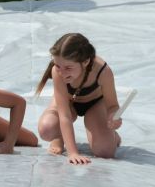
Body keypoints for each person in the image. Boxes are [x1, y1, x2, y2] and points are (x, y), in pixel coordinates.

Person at [36, 33, 121, 164]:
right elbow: (64, 115)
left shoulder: (103, 71)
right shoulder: (57, 71)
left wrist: (113, 116)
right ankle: (58, 137)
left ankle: (112, 137)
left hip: (95, 104)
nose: (62, 72)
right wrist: (73, 152)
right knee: (47, 129)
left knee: (105, 152)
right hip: (69, 102)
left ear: (86, 62)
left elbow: (112, 106)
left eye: (68, 68)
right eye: (58, 65)